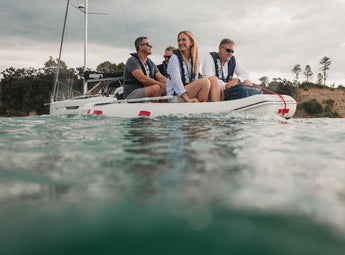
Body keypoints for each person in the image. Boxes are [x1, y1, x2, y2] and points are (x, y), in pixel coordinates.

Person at [166, 30, 223, 102]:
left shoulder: (194, 60)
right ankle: (202, 106)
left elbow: (195, 81)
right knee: (205, 82)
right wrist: (188, 99)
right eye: (179, 40)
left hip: (189, 93)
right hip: (175, 96)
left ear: (191, 43)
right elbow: (176, 82)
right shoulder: (174, 58)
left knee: (214, 79)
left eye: (183, 40)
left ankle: (215, 107)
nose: (180, 42)